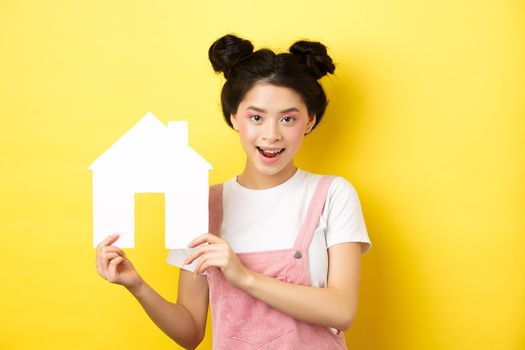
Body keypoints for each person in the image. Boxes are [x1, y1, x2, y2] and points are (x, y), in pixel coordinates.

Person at [96, 34, 372, 349]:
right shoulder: (202, 204)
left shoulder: (332, 195)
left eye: (288, 119)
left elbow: (341, 310)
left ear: (309, 121)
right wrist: (136, 285)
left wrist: (244, 277)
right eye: (256, 117)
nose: (271, 135)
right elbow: (190, 331)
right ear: (234, 118)